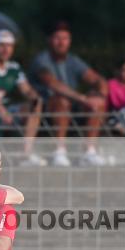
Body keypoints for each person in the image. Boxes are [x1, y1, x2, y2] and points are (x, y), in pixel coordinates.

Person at [29, 21, 108, 167]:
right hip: (46, 108)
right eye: (57, 38)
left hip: (73, 107)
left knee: (97, 103)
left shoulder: (73, 60)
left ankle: (89, 151)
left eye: (65, 39)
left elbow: (97, 79)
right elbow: (53, 84)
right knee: (61, 100)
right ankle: (59, 151)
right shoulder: (41, 60)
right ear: (49, 40)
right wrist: (83, 99)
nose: (61, 43)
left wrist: (100, 95)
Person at [0, 30, 45, 166]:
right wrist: (1, 109)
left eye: (9, 46)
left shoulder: (14, 68)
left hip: (6, 110)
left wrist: (34, 98)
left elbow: (26, 89)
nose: (6, 50)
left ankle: (26, 153)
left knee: (36, 104)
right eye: (1, 45)